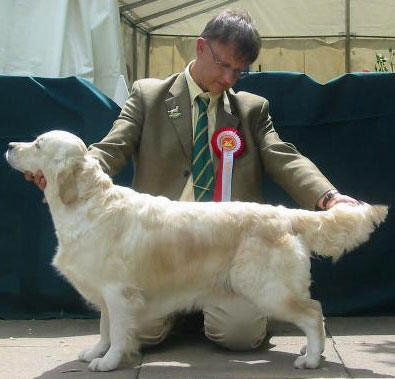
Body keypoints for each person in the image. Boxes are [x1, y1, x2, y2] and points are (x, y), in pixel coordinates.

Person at [26, 9, 359, 351]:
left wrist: (329, 196)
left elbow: (283, 157)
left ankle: (215, 311)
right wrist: (70, 172)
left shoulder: (251, 108)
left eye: (239, 71)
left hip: (227, 247)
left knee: (240, 336)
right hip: (157, 249)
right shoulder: (148, 95)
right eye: (224, 64)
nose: (229, 77)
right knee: (139, 333)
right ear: (200, 47)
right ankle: (177, 314)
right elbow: (113, 146)